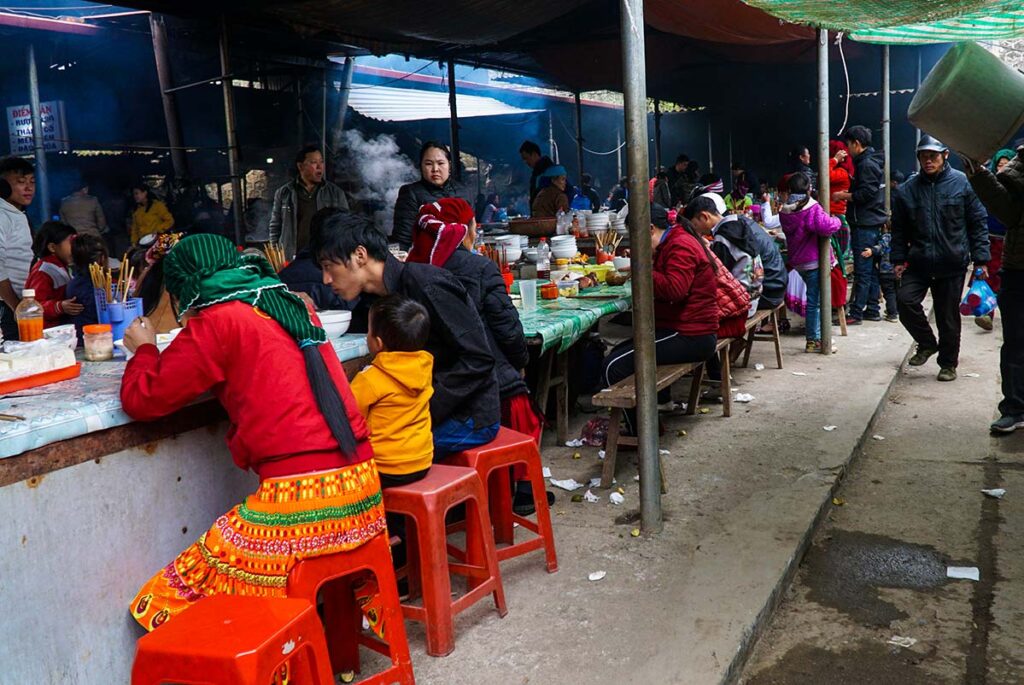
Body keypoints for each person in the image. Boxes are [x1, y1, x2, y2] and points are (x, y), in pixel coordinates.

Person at [119, 233, 386, 634]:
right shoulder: (290, 302)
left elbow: (144, 399)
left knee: (167, 597)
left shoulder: (216, 320)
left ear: (185, 286)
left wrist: (144, 349)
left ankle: (275, 661)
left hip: (305, 504)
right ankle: (324, 649)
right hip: (364, 490)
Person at [311, 212, 500, 457]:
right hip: (412, 415)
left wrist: (416, 411)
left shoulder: (426, 283)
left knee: (363, 455)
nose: (325, 279)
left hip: (467, 415)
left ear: (359, 255)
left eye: (329, 267)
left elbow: (479, 359)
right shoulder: (371, 303)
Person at [408, 198, 548, 512]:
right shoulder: (479, 266)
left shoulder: (413, 271)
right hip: (489, 389)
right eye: (473, 225)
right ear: (464, 231)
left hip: (440, 390)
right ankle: (521, 490)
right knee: (524, 407)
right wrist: (521, 362)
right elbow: (508, 328)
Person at [602, 203, 718, 436]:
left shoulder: (680, 245)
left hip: (691, 334)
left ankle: (643, 435)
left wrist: (641, 268)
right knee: (616, 354)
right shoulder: (673, 241)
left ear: (650, 228)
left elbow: (675, 289)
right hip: (684, 329)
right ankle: (648, 423)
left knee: (613, 367)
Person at [891, 135, 989, 382]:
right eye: (924, 156)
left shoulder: (963, 184)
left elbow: (977, 223)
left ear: (945, 155)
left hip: (951, 262)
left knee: (948, 318)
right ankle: (926, 343)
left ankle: (948, 364)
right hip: (919, 262)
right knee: (905, 301)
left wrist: (981, 260)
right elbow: (899, 230)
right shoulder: (907, 191)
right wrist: (898, 259)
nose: (928, 161)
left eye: (933, 156)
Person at [350, 294, 433, 569]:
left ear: (378, 343)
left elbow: (351, 419)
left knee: (359, 495)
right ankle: (414, 550)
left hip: (388, 468)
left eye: (368, 330)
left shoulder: (370, 379)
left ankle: (394, 562)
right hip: (422, 460)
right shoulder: (423, 366)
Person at [964, 146, 1024, 432]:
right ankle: (1014, 408)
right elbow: (1008, 213)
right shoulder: (1019, 164)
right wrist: (979, 174)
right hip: (1019, 268)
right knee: (1015, 342)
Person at [685, 193, 778, 315]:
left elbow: (716, 273)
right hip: (755, 298)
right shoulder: (739, 223)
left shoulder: (723, 237)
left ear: (704, 217)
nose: (697, 231)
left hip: (742, 304)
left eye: (695, 225)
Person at [779, 173, 842, 352]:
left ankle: (815, 339)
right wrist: (836, 220)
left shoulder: (784, 210)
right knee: (816, 302)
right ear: (809, 189)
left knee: (814, 300)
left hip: (798, 262)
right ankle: (814, 340)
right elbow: (825, 227)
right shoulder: (811, 207)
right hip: (813, 262)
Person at [834, 125, 887, 325]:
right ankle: (872, 309)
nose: (847, 149)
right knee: (870, 270)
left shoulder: (867, 165)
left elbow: (867, 194)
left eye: (848, 145)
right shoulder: (869, 162)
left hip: (865, 224)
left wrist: (843, 196)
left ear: (856, 144)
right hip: (869, 222)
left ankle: (856, 313)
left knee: (863, 271)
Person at [270, 144, 349, 260]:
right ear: (301, 166)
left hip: (324, 256)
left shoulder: (335, 193)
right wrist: (276, 253)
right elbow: (275, 226)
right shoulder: (284, 193)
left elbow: (346, 225)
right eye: (313, 162)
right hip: (292, 256)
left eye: (321, 162)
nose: (319, 166)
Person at [972, 148, 1015, 331]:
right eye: (1000, 165)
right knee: (988, 276)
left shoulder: (1017, 185)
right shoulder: (987, 186)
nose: (1002, 168)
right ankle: (985, 313)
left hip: (1012, 240)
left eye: (1007, 165)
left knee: (1009, 281)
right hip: (990, 239)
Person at [392, 141, 463, 250]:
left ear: (449, 165)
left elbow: (472, 233)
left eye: (440, 163)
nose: (435, 169)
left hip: (462, 260)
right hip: (425, 262)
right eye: (428, 164)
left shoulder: (464, 192)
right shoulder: (410, 193)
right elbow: (403, 240)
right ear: (421, 166)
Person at [0, 157, 35, 341]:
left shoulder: (15, 213)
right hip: (7, 306)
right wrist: (15, 306)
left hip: (20, 302)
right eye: (21, 182)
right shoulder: (2, 214)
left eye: (32, 182)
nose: (28, 188)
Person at [25, 221, 83, 328]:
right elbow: (33, 306)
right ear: (52, 247)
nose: (76, 249)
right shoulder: (43, 271)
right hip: (46, 332)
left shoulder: (63, 266)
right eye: (71, 243)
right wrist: (59, 306)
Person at [65, 234, 108, 341]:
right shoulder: (95, 288)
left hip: (82, 338)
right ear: (102, 259)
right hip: (97, 340)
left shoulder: (74, 284)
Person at [861, 227, 899, 322]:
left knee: (889, 293)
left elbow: (880, 248)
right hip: (898, 270)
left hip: (886, 271)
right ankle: (896, 310)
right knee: (897, 291)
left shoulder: (887, 237)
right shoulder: (902, 237)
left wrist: (871, 251)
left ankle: (892, 314)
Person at [519, 140, 555, 204]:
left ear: (534, 154)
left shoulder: (548, 171)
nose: (525, 162)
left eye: (526, 158)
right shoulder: (537, 173)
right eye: (523, 159)